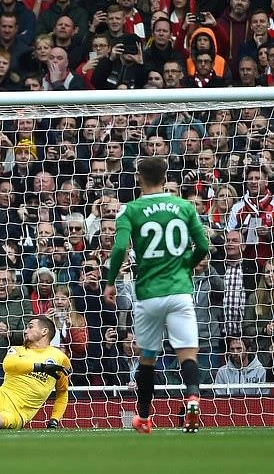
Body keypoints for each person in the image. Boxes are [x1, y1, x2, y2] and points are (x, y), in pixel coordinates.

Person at [103, 156, 210, 434]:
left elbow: (119, 248)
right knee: (187, 352)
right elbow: (203, 245)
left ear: (139, 178)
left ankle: (143, 417)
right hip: (179, 291)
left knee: (147, 358)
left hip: (148, 294)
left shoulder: (130, 210)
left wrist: (111, 281)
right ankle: (193, 397)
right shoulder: (184, 206)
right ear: (165, 178)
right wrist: (186, 265)